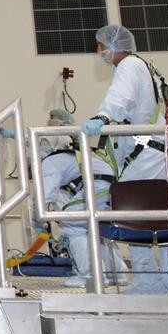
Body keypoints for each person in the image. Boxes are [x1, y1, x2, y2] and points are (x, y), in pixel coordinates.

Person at [81, 24, 168, 294]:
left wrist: (103, 116)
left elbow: (120, 97)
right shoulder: (141, 66)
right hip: (146, 153)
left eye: (100, 45)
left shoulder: (129, 65)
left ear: (114, 45)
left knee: (149, 219)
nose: (99, 51)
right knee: (147, 219)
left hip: (146, 155)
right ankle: (155, 284)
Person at [38, 107, 125, 287]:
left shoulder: (51, 162)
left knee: (72, 222)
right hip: (112, 186)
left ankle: (90, 276)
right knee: (96, 227)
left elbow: (44, 198)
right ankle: (116, 273)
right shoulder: (73, 152)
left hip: (98, 185)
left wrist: (37, 220)